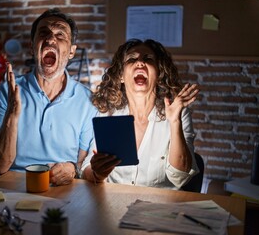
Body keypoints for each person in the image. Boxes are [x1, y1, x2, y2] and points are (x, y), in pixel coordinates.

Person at [0, 8, 97, 186]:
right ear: (32, 47)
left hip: (61, 191)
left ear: (71, 51)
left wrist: (72, 168)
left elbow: (82, 165)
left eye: (60, 34)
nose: (50, 39)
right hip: (12, 190)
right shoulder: (7, 92)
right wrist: (12, 114)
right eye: (43, 33)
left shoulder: (87, 101)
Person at [80, 38, 200, 190]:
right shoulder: (107, 114)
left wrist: (174, 122)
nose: (140, 63)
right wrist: (98, 174)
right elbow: (86, 171)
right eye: (132, 59)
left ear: (158, 74)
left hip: (159, 208)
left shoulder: (178, 113)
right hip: (115, 204)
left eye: (148, 59)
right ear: (121, 76)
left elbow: (180, 176)